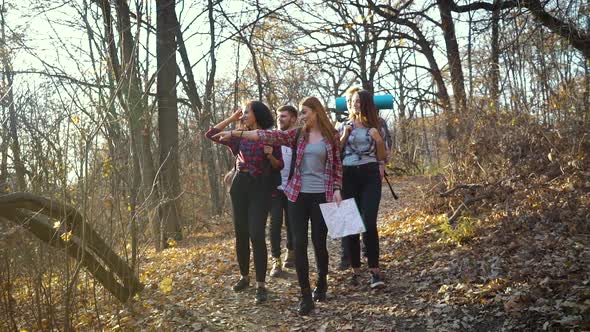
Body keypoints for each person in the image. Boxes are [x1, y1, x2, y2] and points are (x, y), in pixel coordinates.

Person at [212, 96, 342, 316]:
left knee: (319, 243)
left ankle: (321, 281)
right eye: (300, 113)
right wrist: (236, 132)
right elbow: (267, 135)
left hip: (323, 194)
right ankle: (305, 295)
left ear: (316, 112)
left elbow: (337, 166)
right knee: (299, 244)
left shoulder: (331, 136)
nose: (301, 117)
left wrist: (337, 188)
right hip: (297, 194)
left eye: (305, 112)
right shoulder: (297, 134)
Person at [205, 100, 283, 304]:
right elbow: (211, 134)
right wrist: (231, 118)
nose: (243, 115)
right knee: (241, 233)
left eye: (247, 112)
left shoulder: (270, 136)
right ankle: (244, 277)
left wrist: (270, 156)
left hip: (261, 187)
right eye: (243, 113)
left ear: (258, 114)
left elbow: (279, 165)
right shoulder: (238, 137)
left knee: (257, 234)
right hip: (240, 185)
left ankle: (261, 284)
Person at [338, 86, 392, 270]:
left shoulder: (378, 125)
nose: (356, 105)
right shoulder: (343, 126)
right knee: (351, 223)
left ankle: (374, 269)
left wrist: (377, 140)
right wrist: (344, 136)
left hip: (370, 174)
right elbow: (335, 154)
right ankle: (354, 267)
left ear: (367, 104)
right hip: (348, 174)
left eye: (359, 101)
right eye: (353, 102)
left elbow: (383, 156)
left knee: (369, 221)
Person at [269, 105, 298, 277]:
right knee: (275, 224)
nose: (280, 119)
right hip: (275, 187)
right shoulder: (272, 137)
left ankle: (291, 252)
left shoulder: (298, 138)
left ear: (293, 119)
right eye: (278, 116)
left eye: (284, 116)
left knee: (292, 222)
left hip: (294, 186)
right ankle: (276, 261)